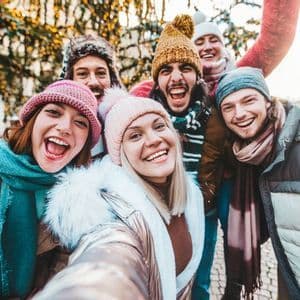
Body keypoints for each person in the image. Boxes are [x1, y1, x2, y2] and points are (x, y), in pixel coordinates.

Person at [33, 87, 205, 299]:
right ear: (119, 154)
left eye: (159, 126)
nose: (153, 140)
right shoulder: (114, 214)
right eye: (135, 136)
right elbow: (110, 259)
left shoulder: (191, 198)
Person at [0, 79, 101, 299]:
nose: (64, 128)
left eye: (80, 123)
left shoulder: (79, 203)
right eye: (54, 112)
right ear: (33, 121)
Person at [216, 66, 300, 299]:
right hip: (290, 273)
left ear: (267, 101)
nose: (239, 113)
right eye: (228, 107)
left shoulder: (293, 141)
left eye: (248, 100)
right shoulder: (247, 157)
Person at [61, 34, 124, 158]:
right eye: (83, 74)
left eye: (101, 73)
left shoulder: (128, 121)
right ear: (70, 79)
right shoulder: (58, 125)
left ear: (111, 79)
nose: (93, 82)